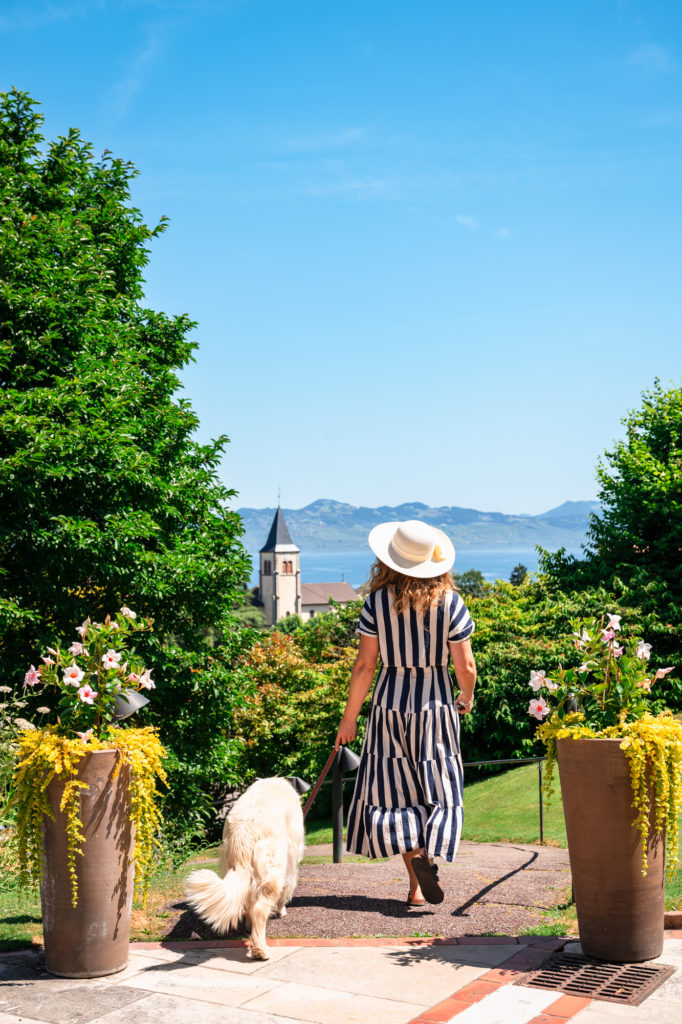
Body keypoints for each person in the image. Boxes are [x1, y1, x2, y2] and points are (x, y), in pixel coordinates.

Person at [334, 519, 476, 906]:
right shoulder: (450, 603)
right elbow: (466, 667)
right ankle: (430, 857)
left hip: (388, 703)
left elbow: (365, 666)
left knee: (396, 792)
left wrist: (349, 719)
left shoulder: (376, 603)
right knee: (438, 786)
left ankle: (415, 883)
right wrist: (466, 697)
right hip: (436, 704)